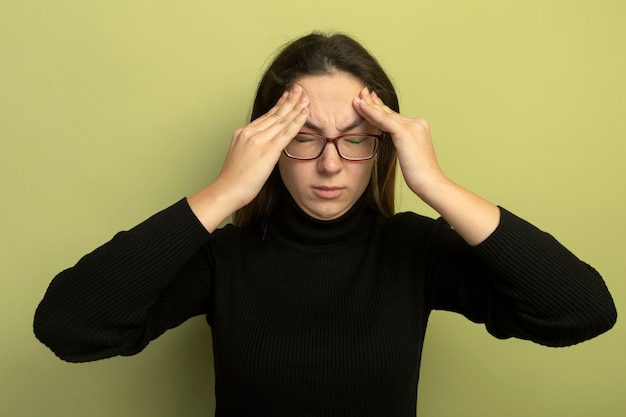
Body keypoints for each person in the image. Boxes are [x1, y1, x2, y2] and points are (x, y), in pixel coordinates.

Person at [34, 32, 617, 416]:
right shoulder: (225, 258)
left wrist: (435, 185)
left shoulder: (415, 250)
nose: (331, 163)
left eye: (355, 140)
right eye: (304, 138)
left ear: (384, 148)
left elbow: (582, 311)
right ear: (267, 144)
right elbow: (68, 326)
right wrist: (226, 191)